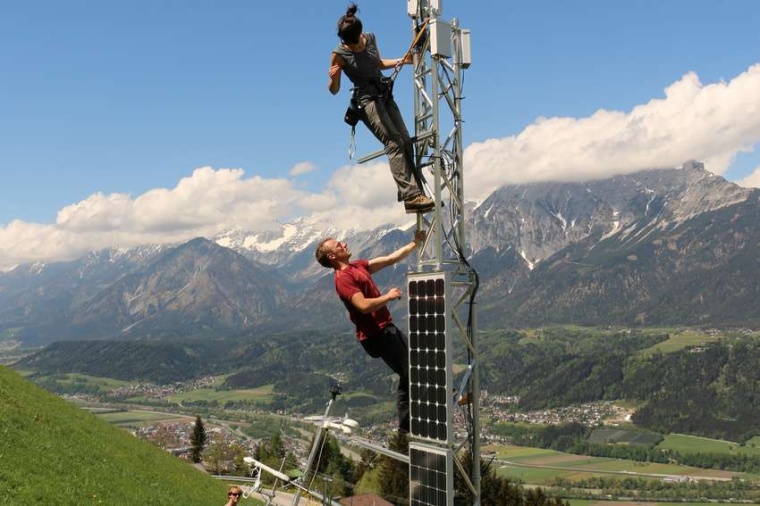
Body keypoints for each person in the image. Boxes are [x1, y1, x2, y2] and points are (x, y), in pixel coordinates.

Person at [315, 229, 426, 433]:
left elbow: (390, 258)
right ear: (332, 256)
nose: (344, 244)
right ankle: (407, 426)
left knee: (410, 369)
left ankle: (410, 424)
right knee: (410, 369)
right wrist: (388, 297)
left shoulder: (357, 266)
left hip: (383, 329)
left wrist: (415, 243)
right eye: (339, 245)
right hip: (377, 334)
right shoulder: (343, 279)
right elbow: (363, 305)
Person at [329, 3, 434, 214]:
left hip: (383, 93)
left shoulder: (370, 39)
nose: (353, 47)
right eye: (348, 44)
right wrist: (333, 78)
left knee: (405, 140)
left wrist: (402, 61)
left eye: (355, 43)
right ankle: (411, 196)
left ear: (360, 35)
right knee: (393, 142)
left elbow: (377, 63)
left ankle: (415, 195)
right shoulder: (339, 54)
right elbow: (334, 90)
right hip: (367, 101)